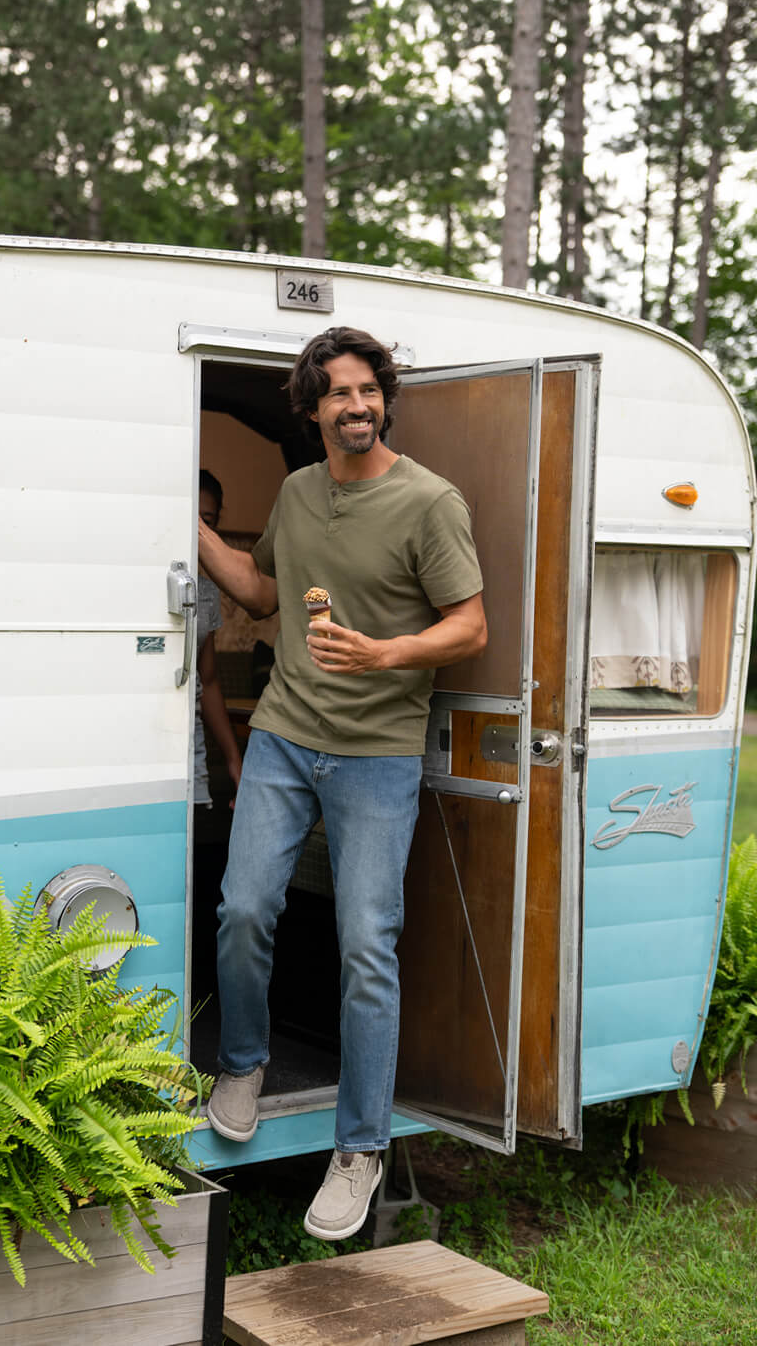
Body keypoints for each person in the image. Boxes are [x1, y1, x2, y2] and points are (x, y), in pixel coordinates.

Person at [197, 326, 487, 1241]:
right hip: (285, 735)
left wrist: (386, 653)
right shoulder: (296, 491)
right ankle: (242, 1062)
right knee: (244, 908)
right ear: (313, 408)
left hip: (377, 753)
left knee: (367, 944)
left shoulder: (429, 501)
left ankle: (359, 1148)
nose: (356, 406)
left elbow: (470, 625)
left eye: (368, 390)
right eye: (338, 394)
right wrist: (187, 527)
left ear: (383, 399)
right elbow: (261, 592)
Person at [194, 470, 243, 811]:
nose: (195, 529)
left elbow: (207, 681)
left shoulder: (205, 593)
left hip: (189, 753)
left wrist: (233, 760)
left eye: (206, 521)